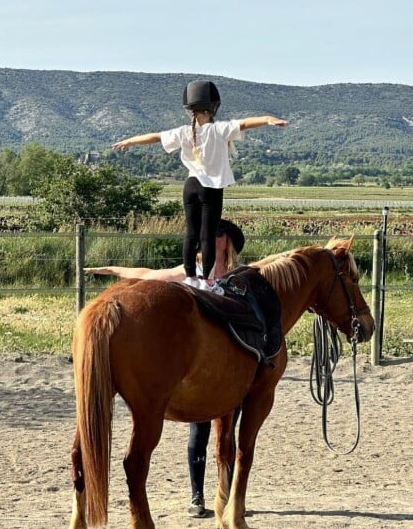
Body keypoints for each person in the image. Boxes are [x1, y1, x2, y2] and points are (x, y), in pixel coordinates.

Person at [85, 218, 245, 518]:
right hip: (200, 364)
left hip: (228, 362)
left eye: (219, 233)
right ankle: (197, 495)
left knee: (229, 433)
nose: (213, 236)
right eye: (209, 231)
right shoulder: (190, 271)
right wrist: (115, 270)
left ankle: (227, 493)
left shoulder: (238, 277)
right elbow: (148, 275)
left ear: (228, 242)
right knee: (199, 433)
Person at [113, 80, 286, 291]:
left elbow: (156, 137)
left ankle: (191, 277)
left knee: (191, 234)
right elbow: (246, 123)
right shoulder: (220, 129)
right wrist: (268, 119)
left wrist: (130, 141)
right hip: (210, 187)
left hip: (190, 185)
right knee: (207, 235)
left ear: (189, 110)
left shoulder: (184, 132)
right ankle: (208, 282)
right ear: (214, 107)